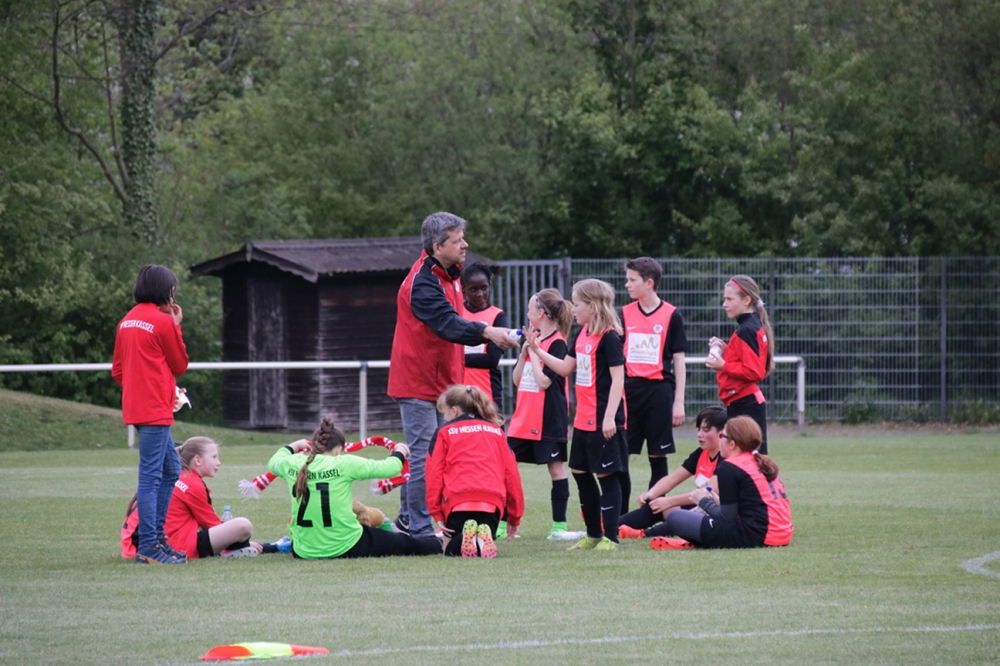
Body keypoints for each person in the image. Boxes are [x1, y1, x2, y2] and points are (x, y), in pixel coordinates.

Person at [387, 212, 517, 540]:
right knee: (424, 456)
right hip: (418, 381)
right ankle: (420, 530)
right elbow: (447, 323)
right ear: (437, 246)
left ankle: (407, 520)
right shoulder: (422, 281)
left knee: (435, 455)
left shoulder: (450, 274)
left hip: (443, 382)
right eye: (458, 241)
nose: (465, 245)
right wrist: (487, 331)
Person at [528, 279, 627, 552]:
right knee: (580, 472)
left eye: (577, 304)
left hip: (603, 420)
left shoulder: (610, 336)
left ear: (592, 307)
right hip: (583, 419)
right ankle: (593, 534)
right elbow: (564, 368)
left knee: (606, 475)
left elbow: (618, 379)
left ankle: (611, 538)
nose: (572, 309)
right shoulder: (582, 334)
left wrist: (610, 417)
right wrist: (537, 350)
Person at [267, 416, 441, 559]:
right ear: (339, 449)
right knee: (403, 542)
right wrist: (400, 451)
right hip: (346, 545)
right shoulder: (343, 463)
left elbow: (272, 463)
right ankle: (440, 544)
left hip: (304, 551)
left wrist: (292, 446)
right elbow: (389, 468)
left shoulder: (293, 463)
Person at [112, 264, 189, 565]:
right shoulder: (163, 321)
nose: (173, 295)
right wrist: (176, 324)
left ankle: (157, 540)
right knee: (151, 476)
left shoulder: (126, 321)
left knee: (171, 470)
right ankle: (149, 545)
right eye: (172, 290)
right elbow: (180, 364)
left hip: (138, 407)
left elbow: (118, 371)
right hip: (155, 409)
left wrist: (143, 387)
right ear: (164, 291)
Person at [507, 289, 580, 540]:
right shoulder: (534, 339)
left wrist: (536, 353)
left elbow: (544, 382)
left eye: (530, 309)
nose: (527, 314)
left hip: (548, 419)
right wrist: (524, 354)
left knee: (556, 470)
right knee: (505, 467)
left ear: (540, 313)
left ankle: (559, 528)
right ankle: (503, 525)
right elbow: (517, 380)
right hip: (522, 419)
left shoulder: (558, 343)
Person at [657, 416, 793, 549]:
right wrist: (717, 502)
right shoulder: (761, 461)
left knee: (675, 517)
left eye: (722, 436)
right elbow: (751, 505)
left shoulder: (729, 467)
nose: (719, 439)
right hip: (782, 535)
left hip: (756, 535)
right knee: (692, 519)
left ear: (732, 444)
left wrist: (703, 501)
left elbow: (727, 517)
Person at [618, 257, 688, 511]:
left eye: (632, 280)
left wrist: (678, 402)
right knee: (622, 455)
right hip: (629, 392)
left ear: (649, 283)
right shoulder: (623, 314)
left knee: (657, 455)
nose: (627, 284)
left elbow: (679, 360)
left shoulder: (671, 314)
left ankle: (652, 513)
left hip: (659, 392)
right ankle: (619, 516)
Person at [426, 385, 524, 558]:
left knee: (450, 551)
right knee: (480, 546)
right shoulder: (497, 432)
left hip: (457, 503)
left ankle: (469, 535)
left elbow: (433, 474)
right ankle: (480, 536)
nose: (445, 418)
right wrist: (514, 516)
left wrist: (436, 512)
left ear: (454, 411)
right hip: (492, 504)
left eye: (445, 413)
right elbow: (512, 475)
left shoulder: (444, 432)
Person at [618, 406, 725, 542]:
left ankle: (642, 534)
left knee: (679, 517)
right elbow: (672, 479)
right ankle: (609, 527)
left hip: (717, 513)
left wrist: (669, 501)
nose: (699, 434)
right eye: (698, 429)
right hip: (700, 507)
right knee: (656, 506)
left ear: (722, 433)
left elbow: (710, 492)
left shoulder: (726, 458)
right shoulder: (701, 453)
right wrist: (651, 494)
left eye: (706, 430)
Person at [164, 437, 268, 559]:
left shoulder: (177, 476)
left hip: (163, 542)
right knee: (243, 525)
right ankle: (229, 551)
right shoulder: (193, 483)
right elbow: (210, 524)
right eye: (214, 457)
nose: (218, 462)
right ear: (198, 460)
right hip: (180, 546)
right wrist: (242, 542)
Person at [706, 275, 774, 454]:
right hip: (743, 402)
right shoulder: (749, 326)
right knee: (742, 459)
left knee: (748, 460)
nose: (724, 304)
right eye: (724, 299)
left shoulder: (746, 329)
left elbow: (754, 371)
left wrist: (723, 366)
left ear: (747, 300)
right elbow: (745, 359)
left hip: (746, 404)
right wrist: (726, 350)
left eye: (730, 299)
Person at [460, 262, 509, 406]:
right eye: (473, 289)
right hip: (458, 390)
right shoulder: (455, 314)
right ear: (463, 290)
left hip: (488, 392)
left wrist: (458, 359)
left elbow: (492, 359)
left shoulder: (498, 316)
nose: (480, 294)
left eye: (484, 288)